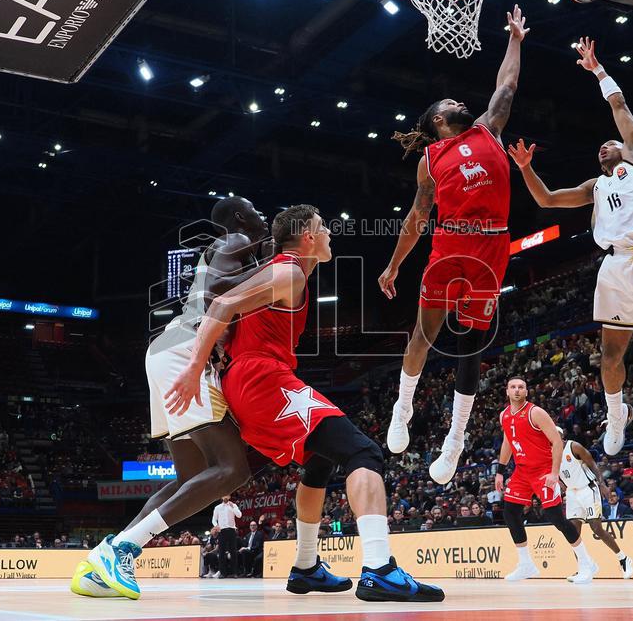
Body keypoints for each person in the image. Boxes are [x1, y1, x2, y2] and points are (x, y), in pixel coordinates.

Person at [165, 205, 443, 602]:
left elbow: (223, 302)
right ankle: (380, 569)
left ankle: (306, 566)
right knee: (363, 452)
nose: (329, 233)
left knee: (320, 459)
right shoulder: (290, 271)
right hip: (261, 380)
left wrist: (214, 354)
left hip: (250, 381)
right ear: (309, 237)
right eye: (323, 227)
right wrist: (194, 368)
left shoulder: (281, 271)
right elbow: (221, 306)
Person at [81, 198, 346, 600]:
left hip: (170, 349)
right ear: (240, 218)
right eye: (255, 211)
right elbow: (217, 292)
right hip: (186, 350)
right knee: (231, 469)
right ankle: (121, 550)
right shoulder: (235, 240)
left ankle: (110, 555)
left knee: (190, 479)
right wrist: (277, 263)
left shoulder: (244, 253)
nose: (261, 216)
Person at [507, 36, 633, 478]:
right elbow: (548, 199)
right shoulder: (596, 187)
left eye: (610, 144)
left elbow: (620, 108)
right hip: (616, 266)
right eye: (600, 148)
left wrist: (598, 71)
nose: (604, 147)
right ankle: (616, 412)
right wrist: (526, 169)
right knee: (609, 353)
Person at [381, 5, 530, 485]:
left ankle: (456, 439)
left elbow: (506, 86)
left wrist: (515, 40)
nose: (459, 102)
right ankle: (402, 407)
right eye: (450, 103)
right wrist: (393, 266)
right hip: (450, 245)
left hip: (492, 248)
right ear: (438, 120)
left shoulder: (489, 129)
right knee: (423, 334)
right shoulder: (430, 158)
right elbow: (417, 217)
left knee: (471, 347)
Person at [494, 377, 598, 584]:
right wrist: (500, 471)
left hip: (543, 470)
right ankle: (526, 564)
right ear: (507, 391)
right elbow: (508, 442)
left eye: (521, 387)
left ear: (526, 391)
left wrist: (554, 472)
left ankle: (587, 563)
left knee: (556, 517)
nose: (517, 390)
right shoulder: (504, 415)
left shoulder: (536, 413)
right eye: (513, 387)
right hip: (522, 471)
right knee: (510, 512)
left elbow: (557, 442)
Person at [558, 432, 633, 579]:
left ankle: (624, 559)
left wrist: (602, 484)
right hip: (572, 492)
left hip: (588, 489)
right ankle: (586, 567)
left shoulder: (573, 446)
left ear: (561, 436)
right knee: (572, 533)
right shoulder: (550, 453)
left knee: (596, 528)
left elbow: (592, 463)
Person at [212, 496, 242, 578]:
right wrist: (216, 526)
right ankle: (222, 573)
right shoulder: (217, 507)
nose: (225, 496)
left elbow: (239, 515)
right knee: (221, 552)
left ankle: (234, 572)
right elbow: (214, 519)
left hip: (231, 530)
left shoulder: (233, 505)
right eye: (224, 495)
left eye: (227, 495)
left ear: (229, 496)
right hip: (222, 531)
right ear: (221, 497)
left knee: (233, 552)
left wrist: (233, 507)